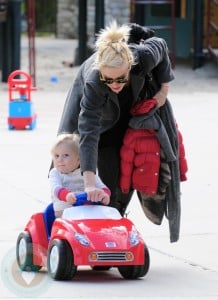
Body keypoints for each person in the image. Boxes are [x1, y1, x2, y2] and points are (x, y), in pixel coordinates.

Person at [56, 21, 187, 242]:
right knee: (85, 172)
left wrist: (163, 90)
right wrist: (89, 183)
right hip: (100, 122)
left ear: (130, 66)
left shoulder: (143, 57)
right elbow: (88, 133)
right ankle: (85, 229)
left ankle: (116, 224)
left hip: (132, 115)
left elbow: (162, 45)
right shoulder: (94, 81)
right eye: (109, 79)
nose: (115, 84)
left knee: (128, 174)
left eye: (120, 78)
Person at [49, 133, 110, 217]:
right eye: (56, 156)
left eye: (66, 155)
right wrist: (66, 195)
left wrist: (104, 195)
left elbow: (102, 187)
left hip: (87, 210)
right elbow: (55, 188)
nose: (60, 160)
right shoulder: (55, 173)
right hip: (64, 212)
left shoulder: (86, 173)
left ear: (79, 159)